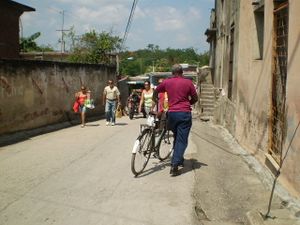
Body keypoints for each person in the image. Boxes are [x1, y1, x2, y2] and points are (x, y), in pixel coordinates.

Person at [153, 64, 198, 176]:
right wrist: (188, 103)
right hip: (184, 114)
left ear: (172, 73)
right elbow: (195, 98)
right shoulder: (188, 83)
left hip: (172, 114)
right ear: (182, 72)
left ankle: (179, 158)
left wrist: (156, 100)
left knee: (178, 137)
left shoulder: (167, 82)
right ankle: (175, 164)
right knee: (182, 140)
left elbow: (156, 91)